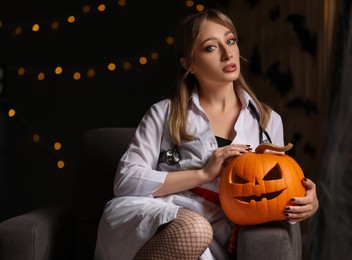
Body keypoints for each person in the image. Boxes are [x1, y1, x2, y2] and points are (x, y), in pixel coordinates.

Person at [94, 8, 319, 260]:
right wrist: (203, 174)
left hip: (215, 235)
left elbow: (273, 189)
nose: (227, 53)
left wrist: (305, 202)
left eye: (230, 41)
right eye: (211, 47)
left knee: (201, 232)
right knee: (196, 230)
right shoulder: (164, 113)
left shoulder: (267, 122)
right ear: (188, 63)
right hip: (156, 221)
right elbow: (125, 181)